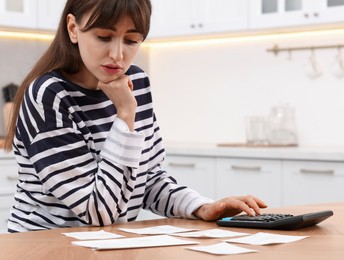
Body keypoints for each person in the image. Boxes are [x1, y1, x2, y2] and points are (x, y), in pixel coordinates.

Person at [4, 0, 267, 233]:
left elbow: (147, 180)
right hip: (44, 245)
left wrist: (202, 206)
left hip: (107, 244)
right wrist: (125, 114)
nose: (118, 55)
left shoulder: (136, 83)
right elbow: (98, 212)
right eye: (104, 37)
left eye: (131, 41)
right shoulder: (48, 95)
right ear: (73, 29)